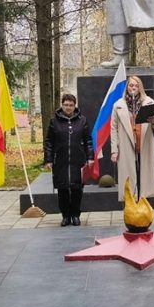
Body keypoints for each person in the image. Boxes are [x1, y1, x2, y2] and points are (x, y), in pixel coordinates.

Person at [44, 94, 94, 226]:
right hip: (61, 161)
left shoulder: (82, 121)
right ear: (62, 105)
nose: (68, 107)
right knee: (63, 189)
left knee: (77, 189)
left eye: (71, 105)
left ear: (75, 106)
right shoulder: (54, 121)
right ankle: (66, 216)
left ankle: (75, 215)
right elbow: (49, 142)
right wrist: (48, 159)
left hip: (78, 161)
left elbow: (88, 141)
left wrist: (90, 157)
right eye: (66, 105)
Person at [110, 75, 154, 201]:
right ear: (127, 87)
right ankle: (130, 210)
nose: (133, 88)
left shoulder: (149, 102)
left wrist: (153, 121)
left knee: (144, 178)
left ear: (140, 88)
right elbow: (113, 128)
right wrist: (114, 150)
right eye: (131, 85)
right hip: (127, 145)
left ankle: (144, 209)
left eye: (136, 85)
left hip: (143, 144)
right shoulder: (118, 105)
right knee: (128, 178)